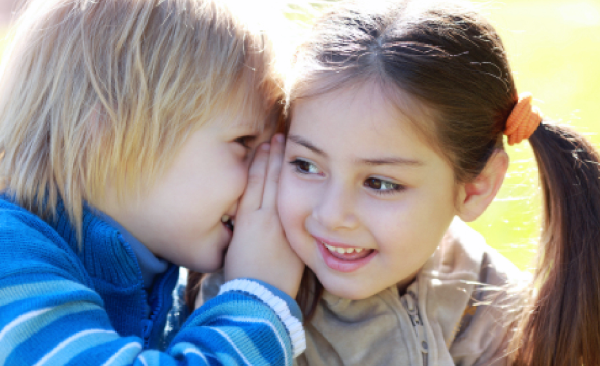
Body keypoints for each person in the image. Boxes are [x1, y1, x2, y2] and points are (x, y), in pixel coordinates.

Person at [226, 0, 596, 364]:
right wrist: (255, 302)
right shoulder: (235, 289)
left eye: (381, 183)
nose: (332, 214)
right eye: (306, 165)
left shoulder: (501, 320)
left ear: (475, 187)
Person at [0, 0, 306, 365]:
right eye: (244, 143)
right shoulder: (10, 255)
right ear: (108, 131)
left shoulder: (163, 279)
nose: (267, 177)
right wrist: (258, 299)